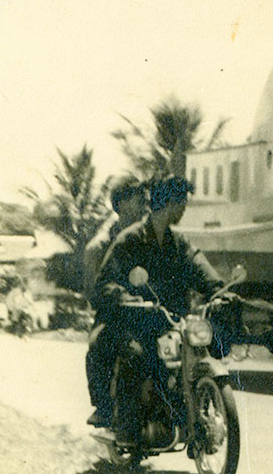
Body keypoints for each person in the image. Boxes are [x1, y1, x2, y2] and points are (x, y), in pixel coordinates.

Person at [90, 176, 226, 440]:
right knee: (136, 356)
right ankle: (128, 430)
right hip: (133, 322)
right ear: (170, 203)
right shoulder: (130, 240)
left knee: (200, 351)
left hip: (171, 322)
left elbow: (199, 266)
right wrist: (128, 300)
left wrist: (220, 291)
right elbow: (104, 284)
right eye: (182, 203)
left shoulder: (179, 242)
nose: (185, 209)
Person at [84, 176, 149, 427]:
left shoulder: (146, 237)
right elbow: (95, 293)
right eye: (138, 200)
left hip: (150, 312)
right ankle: (104, 408)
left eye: (145, 200)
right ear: (120, 204)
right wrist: (121, 298)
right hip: (114, 316)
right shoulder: (99, 245)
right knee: (98, 345)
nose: (144, 205)